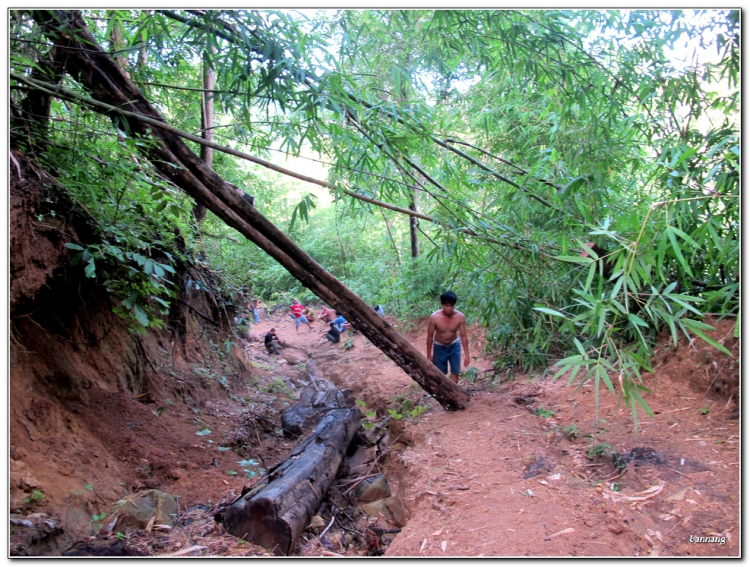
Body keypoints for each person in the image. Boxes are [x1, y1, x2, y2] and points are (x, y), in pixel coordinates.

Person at [426, 291, 469, 384]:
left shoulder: (460, 317)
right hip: (439, 347)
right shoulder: (434, 317)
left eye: (452, 305)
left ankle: (453, 394)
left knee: (455, 372)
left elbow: (464, 336)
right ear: (442, 304)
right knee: (440, 373)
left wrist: (467, 354)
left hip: (454, 345)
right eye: (447, 305)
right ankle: (443, 394)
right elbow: (429, 336)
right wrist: (429, 355)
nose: (449, 308)